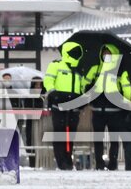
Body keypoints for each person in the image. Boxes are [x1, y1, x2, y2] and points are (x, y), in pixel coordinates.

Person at [42, 41, 91, 170]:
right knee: (60, 132)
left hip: (74, 104)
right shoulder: (56, 65)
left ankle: (68, 159)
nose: (76, 55)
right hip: (59, 103)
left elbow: (82, 87)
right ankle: (61, 161)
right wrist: (53, 94)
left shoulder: (81, 69)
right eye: (73, 52)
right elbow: (48, 80)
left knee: (71, 134)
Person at [88, 44, 131, 170]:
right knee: (98, 139)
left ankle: (112, 163)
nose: (106, 55)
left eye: (109, 53)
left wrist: (126, 101)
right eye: (104, 53)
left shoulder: (120, 71)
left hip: (115, 111)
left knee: (114, 140)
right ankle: (99, 163)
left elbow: (126, 88)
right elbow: (86, 84)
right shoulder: (95, 69)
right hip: (98, 110)